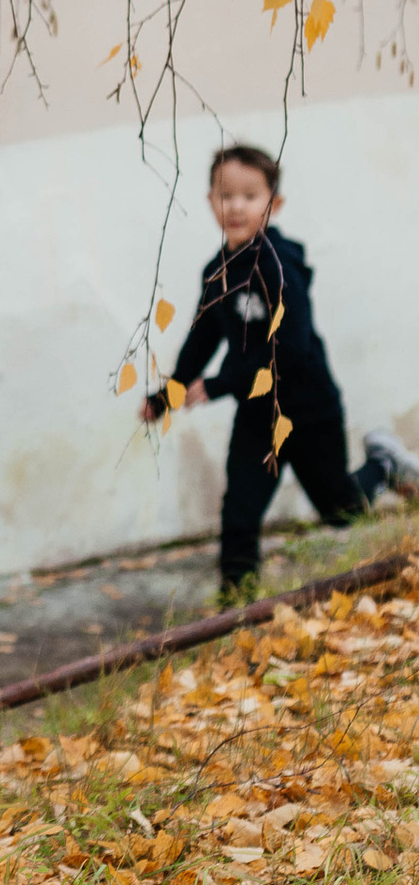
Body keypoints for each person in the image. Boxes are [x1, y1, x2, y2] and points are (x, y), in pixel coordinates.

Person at [142, 141, 417, 592]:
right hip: (258, 417)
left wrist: (218, 385)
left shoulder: (278, 265)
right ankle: (236, 608)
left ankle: (383, 466)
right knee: (239, 513)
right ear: (211, 202)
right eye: (225, 195)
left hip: (308, 410)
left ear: (275, 204)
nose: (236, 206)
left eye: (250, 196)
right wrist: (166, 396)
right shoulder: (217, 271)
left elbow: (289, 348)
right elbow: (203, 338)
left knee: (340, 511)